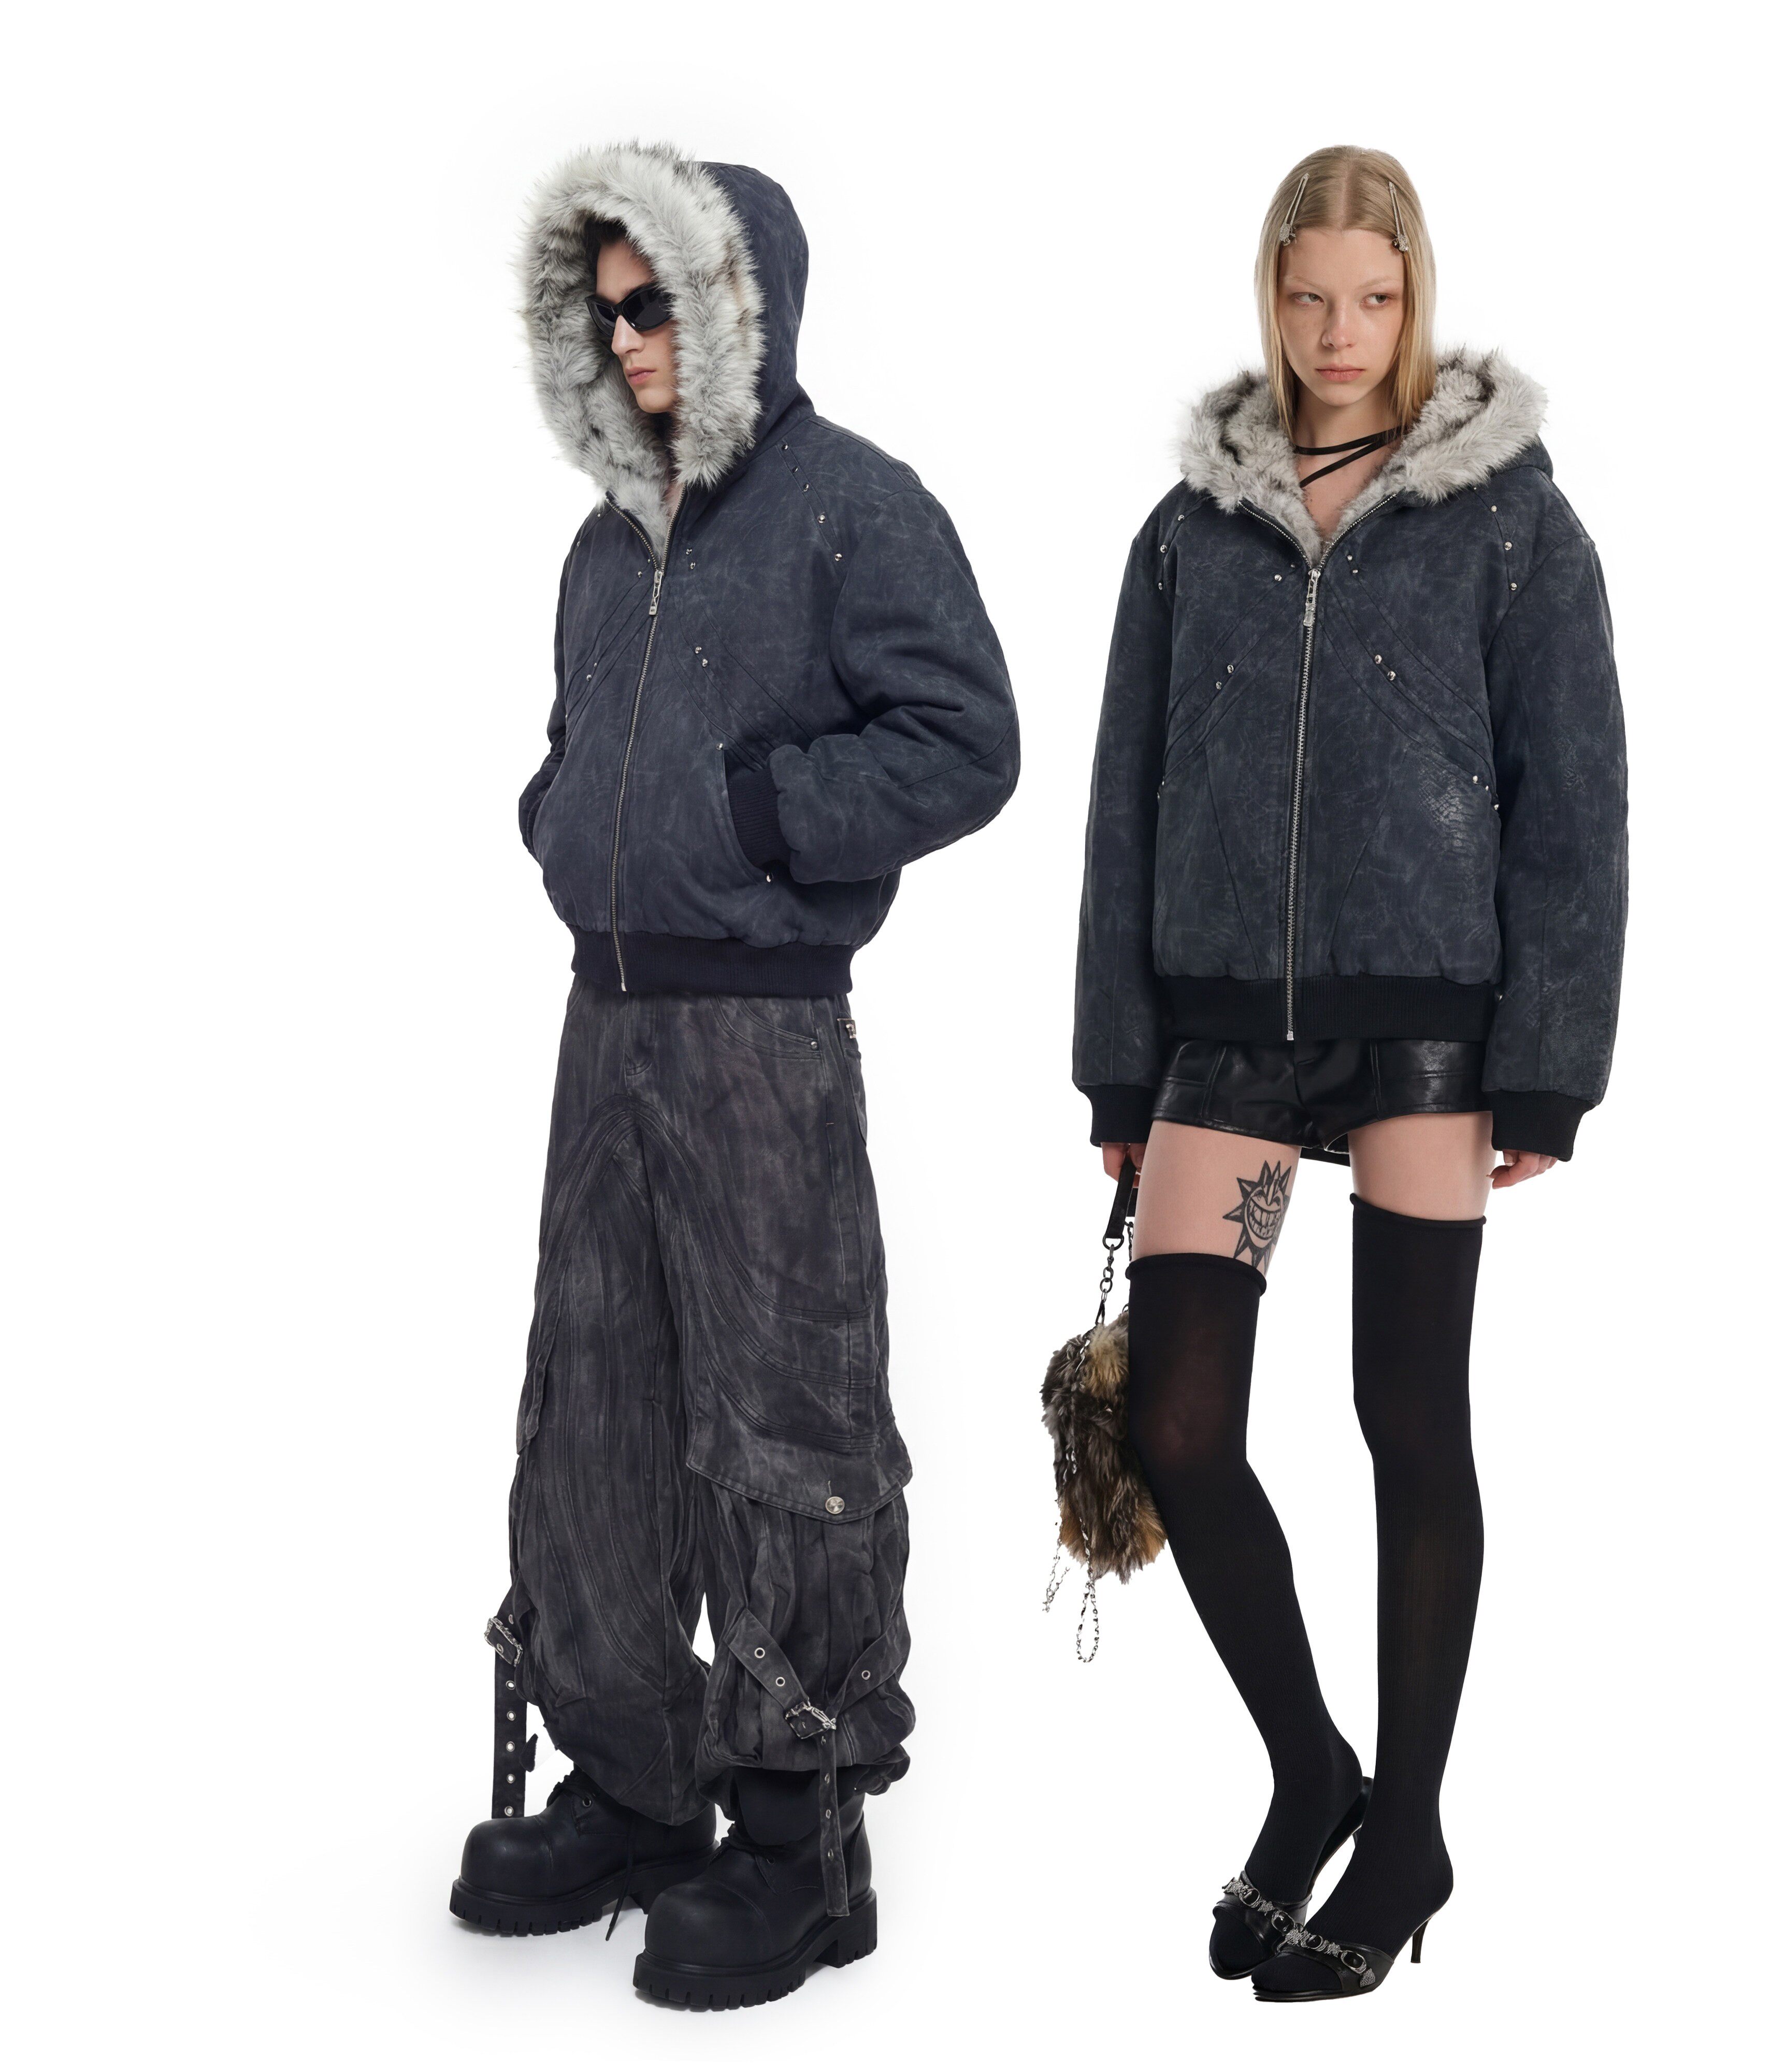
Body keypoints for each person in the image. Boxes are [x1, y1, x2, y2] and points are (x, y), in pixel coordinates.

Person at [449, 142, 1017, 2010]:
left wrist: (767, 813)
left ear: (733, 304)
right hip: (602, 1023)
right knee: (595, 1406)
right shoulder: (602, 543)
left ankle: (795, 1828)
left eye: (657, 305)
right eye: (604, 311)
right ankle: (634, 1783)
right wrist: (561, 819)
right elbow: (578, 748)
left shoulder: (855, 509)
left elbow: (966, 738)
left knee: (785, 1421)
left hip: (763, 1036)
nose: (629, 341)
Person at [1072, 144, 1626, 2001]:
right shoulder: (1189, 529)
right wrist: (1119, 1069)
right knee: (1176, 1425)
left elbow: (1576, 797)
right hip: (1223, 1025)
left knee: (1408, 1413)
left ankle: (1408, 1831)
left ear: (1413, 299)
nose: (1336, 333)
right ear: (1271, 293)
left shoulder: (1506, 517)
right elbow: (1121, 803)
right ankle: (1311, 1766)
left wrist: (1546, 1066)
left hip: (1421, 1028)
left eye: (1370, 300)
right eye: (1308, 297)